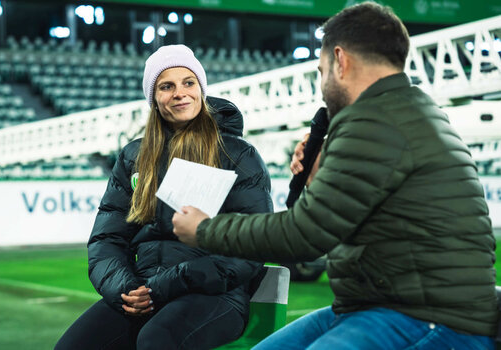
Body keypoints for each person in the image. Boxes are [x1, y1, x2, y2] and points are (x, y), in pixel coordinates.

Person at [172, 3, 497, 349]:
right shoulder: (409, 110)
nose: (323, 82)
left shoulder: (374, 122)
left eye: (322, 70)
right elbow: (352, 219)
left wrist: (205, 230)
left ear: (340, 60)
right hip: (391, 305)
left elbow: (304, 235)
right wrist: (321, 177)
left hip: (429, 317)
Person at [55, 44, 273, 350]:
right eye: (166, 86)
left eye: (189, 83)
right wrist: (125, 289)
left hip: (217, 295)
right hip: (143, 291)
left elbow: (251, 243)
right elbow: (107, 239)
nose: (180, 93)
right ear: (154, 99)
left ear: (201, 89)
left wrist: (168, 284)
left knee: (157, 340)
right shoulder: (133, 156)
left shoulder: (238, 155)